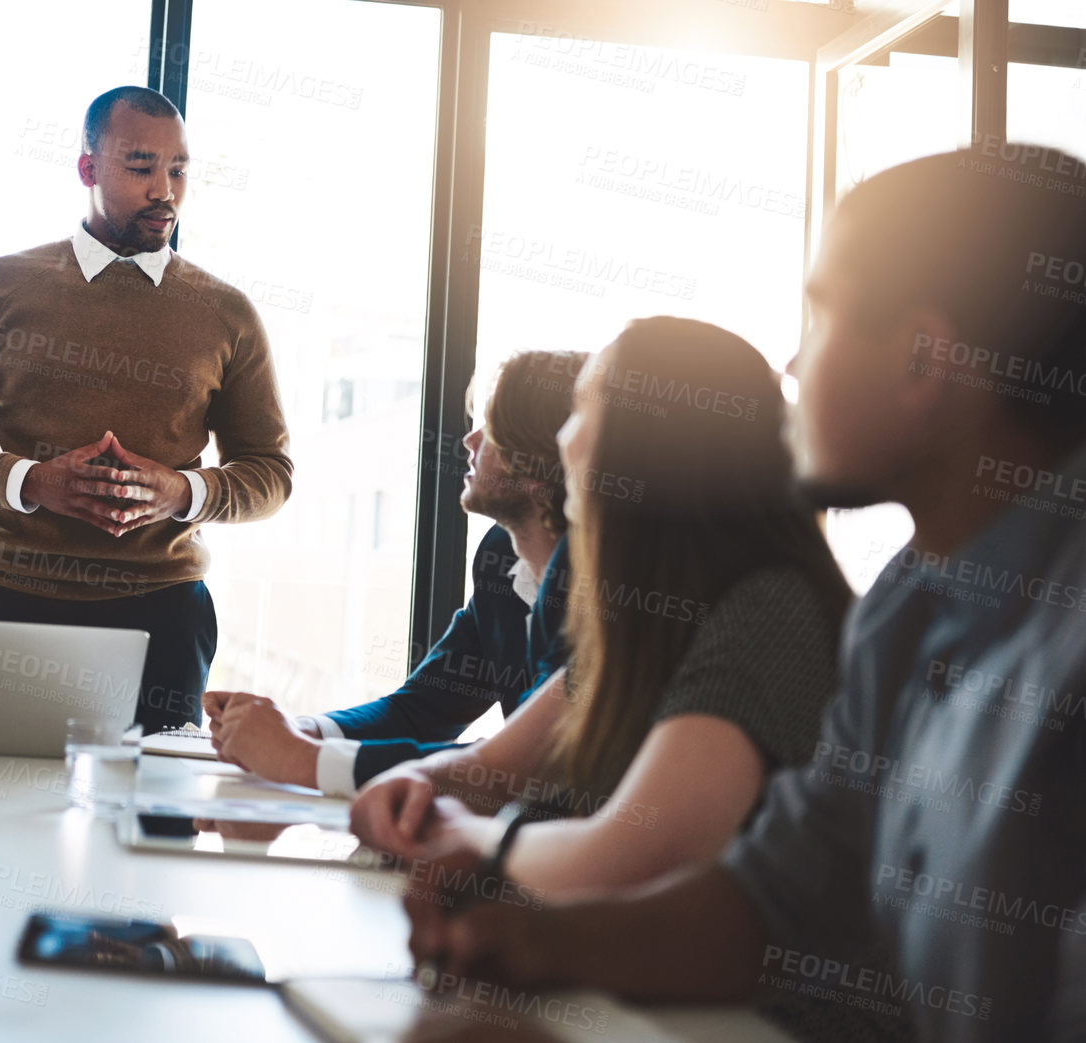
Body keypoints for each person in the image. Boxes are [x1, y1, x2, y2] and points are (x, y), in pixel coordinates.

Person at [403, 149, 1086, 1043]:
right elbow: (775, 897)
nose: (795, 362)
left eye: (826, 313)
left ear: (923, 358)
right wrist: (534, 941)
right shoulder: (903, 609)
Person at [350, 316, 853, 907]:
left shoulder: (769, 612)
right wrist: (417, 784)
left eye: (582, 410)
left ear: (646, 444)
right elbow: (497, 769)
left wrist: (467, 836)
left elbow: (625, 861)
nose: (562, 441)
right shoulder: (644, 615)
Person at [0, 85, 293, 733]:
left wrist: (180, 492)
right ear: (88, 169)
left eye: (179, 168)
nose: (165, 188)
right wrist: (34, 482)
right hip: (6, 605)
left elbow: (270, 474)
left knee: (153, 824)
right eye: (141, 167)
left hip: (164, 618)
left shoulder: (228, 314)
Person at [206, 350, 582, 796]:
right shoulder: (499, 559)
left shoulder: (598, 593)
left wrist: (300, 759)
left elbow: (523, 766)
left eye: (494, 430)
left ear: (543, 466)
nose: (470, 441)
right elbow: (421, 710)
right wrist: (299, 731)